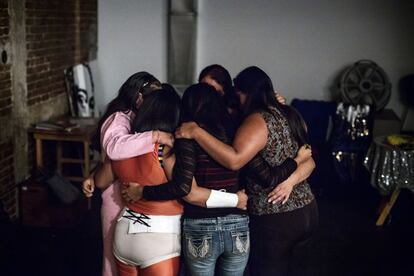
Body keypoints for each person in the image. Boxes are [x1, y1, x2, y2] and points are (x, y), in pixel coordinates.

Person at [126, 83, 312, 276]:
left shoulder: (186, 137)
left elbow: (183, 188)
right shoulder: (239, 136)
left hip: (200, 226)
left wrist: (143, 191)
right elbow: (268, 176)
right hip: (237, 224)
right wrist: (297, 160)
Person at [176, 66, 318, 276]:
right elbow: (309, 159)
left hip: (274, 215)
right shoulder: (290, 114)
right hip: (306, 210)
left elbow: (235, 161)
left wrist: (196, 132)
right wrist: (292, 175)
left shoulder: (251, 121)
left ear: (241, 92)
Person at [104, 84, 249, 276]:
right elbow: (187, 191)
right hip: (158, 236)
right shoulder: (166, 149)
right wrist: (236, 200)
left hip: (124, 231)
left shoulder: (122, 147)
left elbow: (100, 180)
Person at [82, 71, 173, 276]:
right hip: (116, 200)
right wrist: (157, 136)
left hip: (134, 202)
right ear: (139, 96)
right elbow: (115, 149)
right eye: (152, 97)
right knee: (112, 263)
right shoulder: (119, 118)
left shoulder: (138, 119)